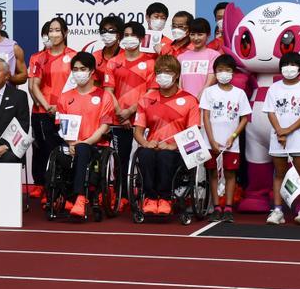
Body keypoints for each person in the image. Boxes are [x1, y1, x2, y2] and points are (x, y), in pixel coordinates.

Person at [133, 55, 200, 216]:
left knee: (165, 156)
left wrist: (172, 146)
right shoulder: (147, 99)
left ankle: (165, 198)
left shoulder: (189, 100)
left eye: (167, 71)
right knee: (146, 154)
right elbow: (138, 132)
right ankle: (150, 198)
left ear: (176, 75)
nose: (162, 76)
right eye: (159, 72)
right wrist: (145, 143)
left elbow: (193, 133)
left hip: (177, 151)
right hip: (153, 147)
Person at [54, 52, 114, 218]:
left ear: (92, 71)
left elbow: (104, 127)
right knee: (57, 155)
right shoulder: (65, 97)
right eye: (75, 69)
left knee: (83, 150)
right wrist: (71, 143)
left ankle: (80, 198)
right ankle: (60, 197)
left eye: (82, 69)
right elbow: (61, 126)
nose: (78, 72)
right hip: (71, 144)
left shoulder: (104, 96)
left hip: (95, 146)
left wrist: (84, 143)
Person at [263, 52, 300, 226]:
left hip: (299, 138)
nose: (289, 68)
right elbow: (270, 111)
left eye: (293, 65)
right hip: (278, 138)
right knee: (279, 174)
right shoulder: (274, 88)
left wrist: (288, 130)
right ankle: (278, 210)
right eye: (285, 64)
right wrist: (280, 130)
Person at [104, 20, 155, 206]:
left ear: (141, 38)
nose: (129, 38)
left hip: (142, 119)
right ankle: (123, 196)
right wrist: (120, 113)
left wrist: (131, 111)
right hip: (119, 120)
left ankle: (145, 195)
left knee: (145, 159)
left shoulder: (150, 63)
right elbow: (109, 91)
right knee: (121, 161)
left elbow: (151, 92)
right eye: (125, 35)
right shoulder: (113, 62)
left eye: (133, 35)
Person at [27, 18, 75, 197]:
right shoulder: (38, 57)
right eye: (51, 30)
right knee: (43, 149)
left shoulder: (73, 56)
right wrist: (47, 106)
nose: (53, 34)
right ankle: (42, 184)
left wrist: (61, 106)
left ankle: (64, 186)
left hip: (67, 112)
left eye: (57, 30)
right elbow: (34, 86)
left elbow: (76, 85)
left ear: (65, 32)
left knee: (65, 149)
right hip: (43, 111)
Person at [200, 55, 251, 223]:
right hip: (211, 143)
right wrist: (212, 140)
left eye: (227, 70)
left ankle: (228, 208)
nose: (224, 73)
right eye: (220, 70)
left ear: (233, 73)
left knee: (230, 174)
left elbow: (244, 118)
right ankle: (216, 207)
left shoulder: (240, 93)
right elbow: (206, 117)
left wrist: (234, 136)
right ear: (215, 72)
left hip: (231, 144)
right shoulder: (209, 92)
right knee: (213, 174)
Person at [176, 18, 217, 97]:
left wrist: (201, 97)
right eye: (192, 34)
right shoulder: (181, 57)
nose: (196, 38)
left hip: (205, 101)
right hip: (185, 102)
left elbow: (211, 80)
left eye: (200, 34)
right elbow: (180, 82)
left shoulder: (214, 55)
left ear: (208, 35)